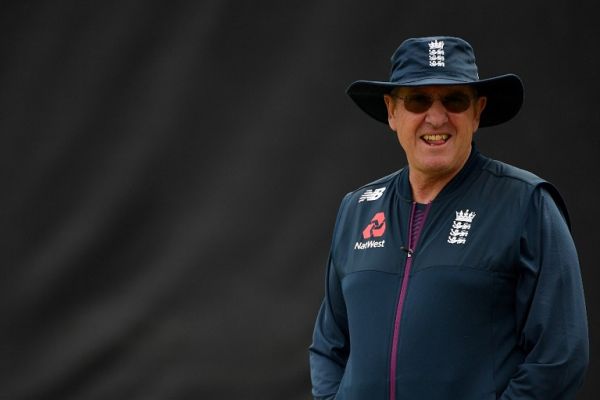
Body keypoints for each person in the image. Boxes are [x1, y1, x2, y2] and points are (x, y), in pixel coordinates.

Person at [308, 36, 589, 400]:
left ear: (477, 111)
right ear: (392, 112)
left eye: (454, 99)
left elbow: (560, 356)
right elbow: (328, 345)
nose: (436, 117)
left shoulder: (526, 203)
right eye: (418, 100)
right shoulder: (358, 207)